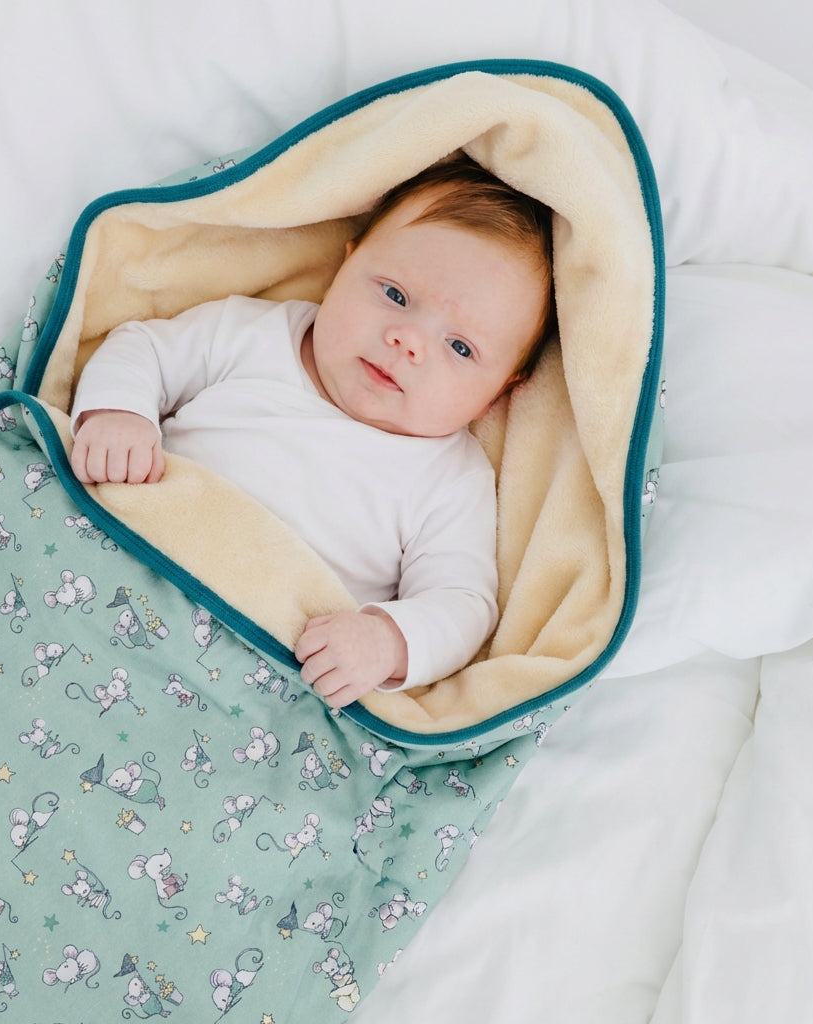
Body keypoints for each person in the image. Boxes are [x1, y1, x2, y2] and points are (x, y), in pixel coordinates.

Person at [70, 155, 555, 708]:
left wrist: (385, 641)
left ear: (499, 392)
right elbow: (145, 349)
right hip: (120, 565)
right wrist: (119, 414)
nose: (409, 341)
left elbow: (461, 603)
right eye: (395, 295)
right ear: (344, 266)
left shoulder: (450, 479)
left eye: (460, 347)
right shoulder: (253, 334)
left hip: (241, 677)